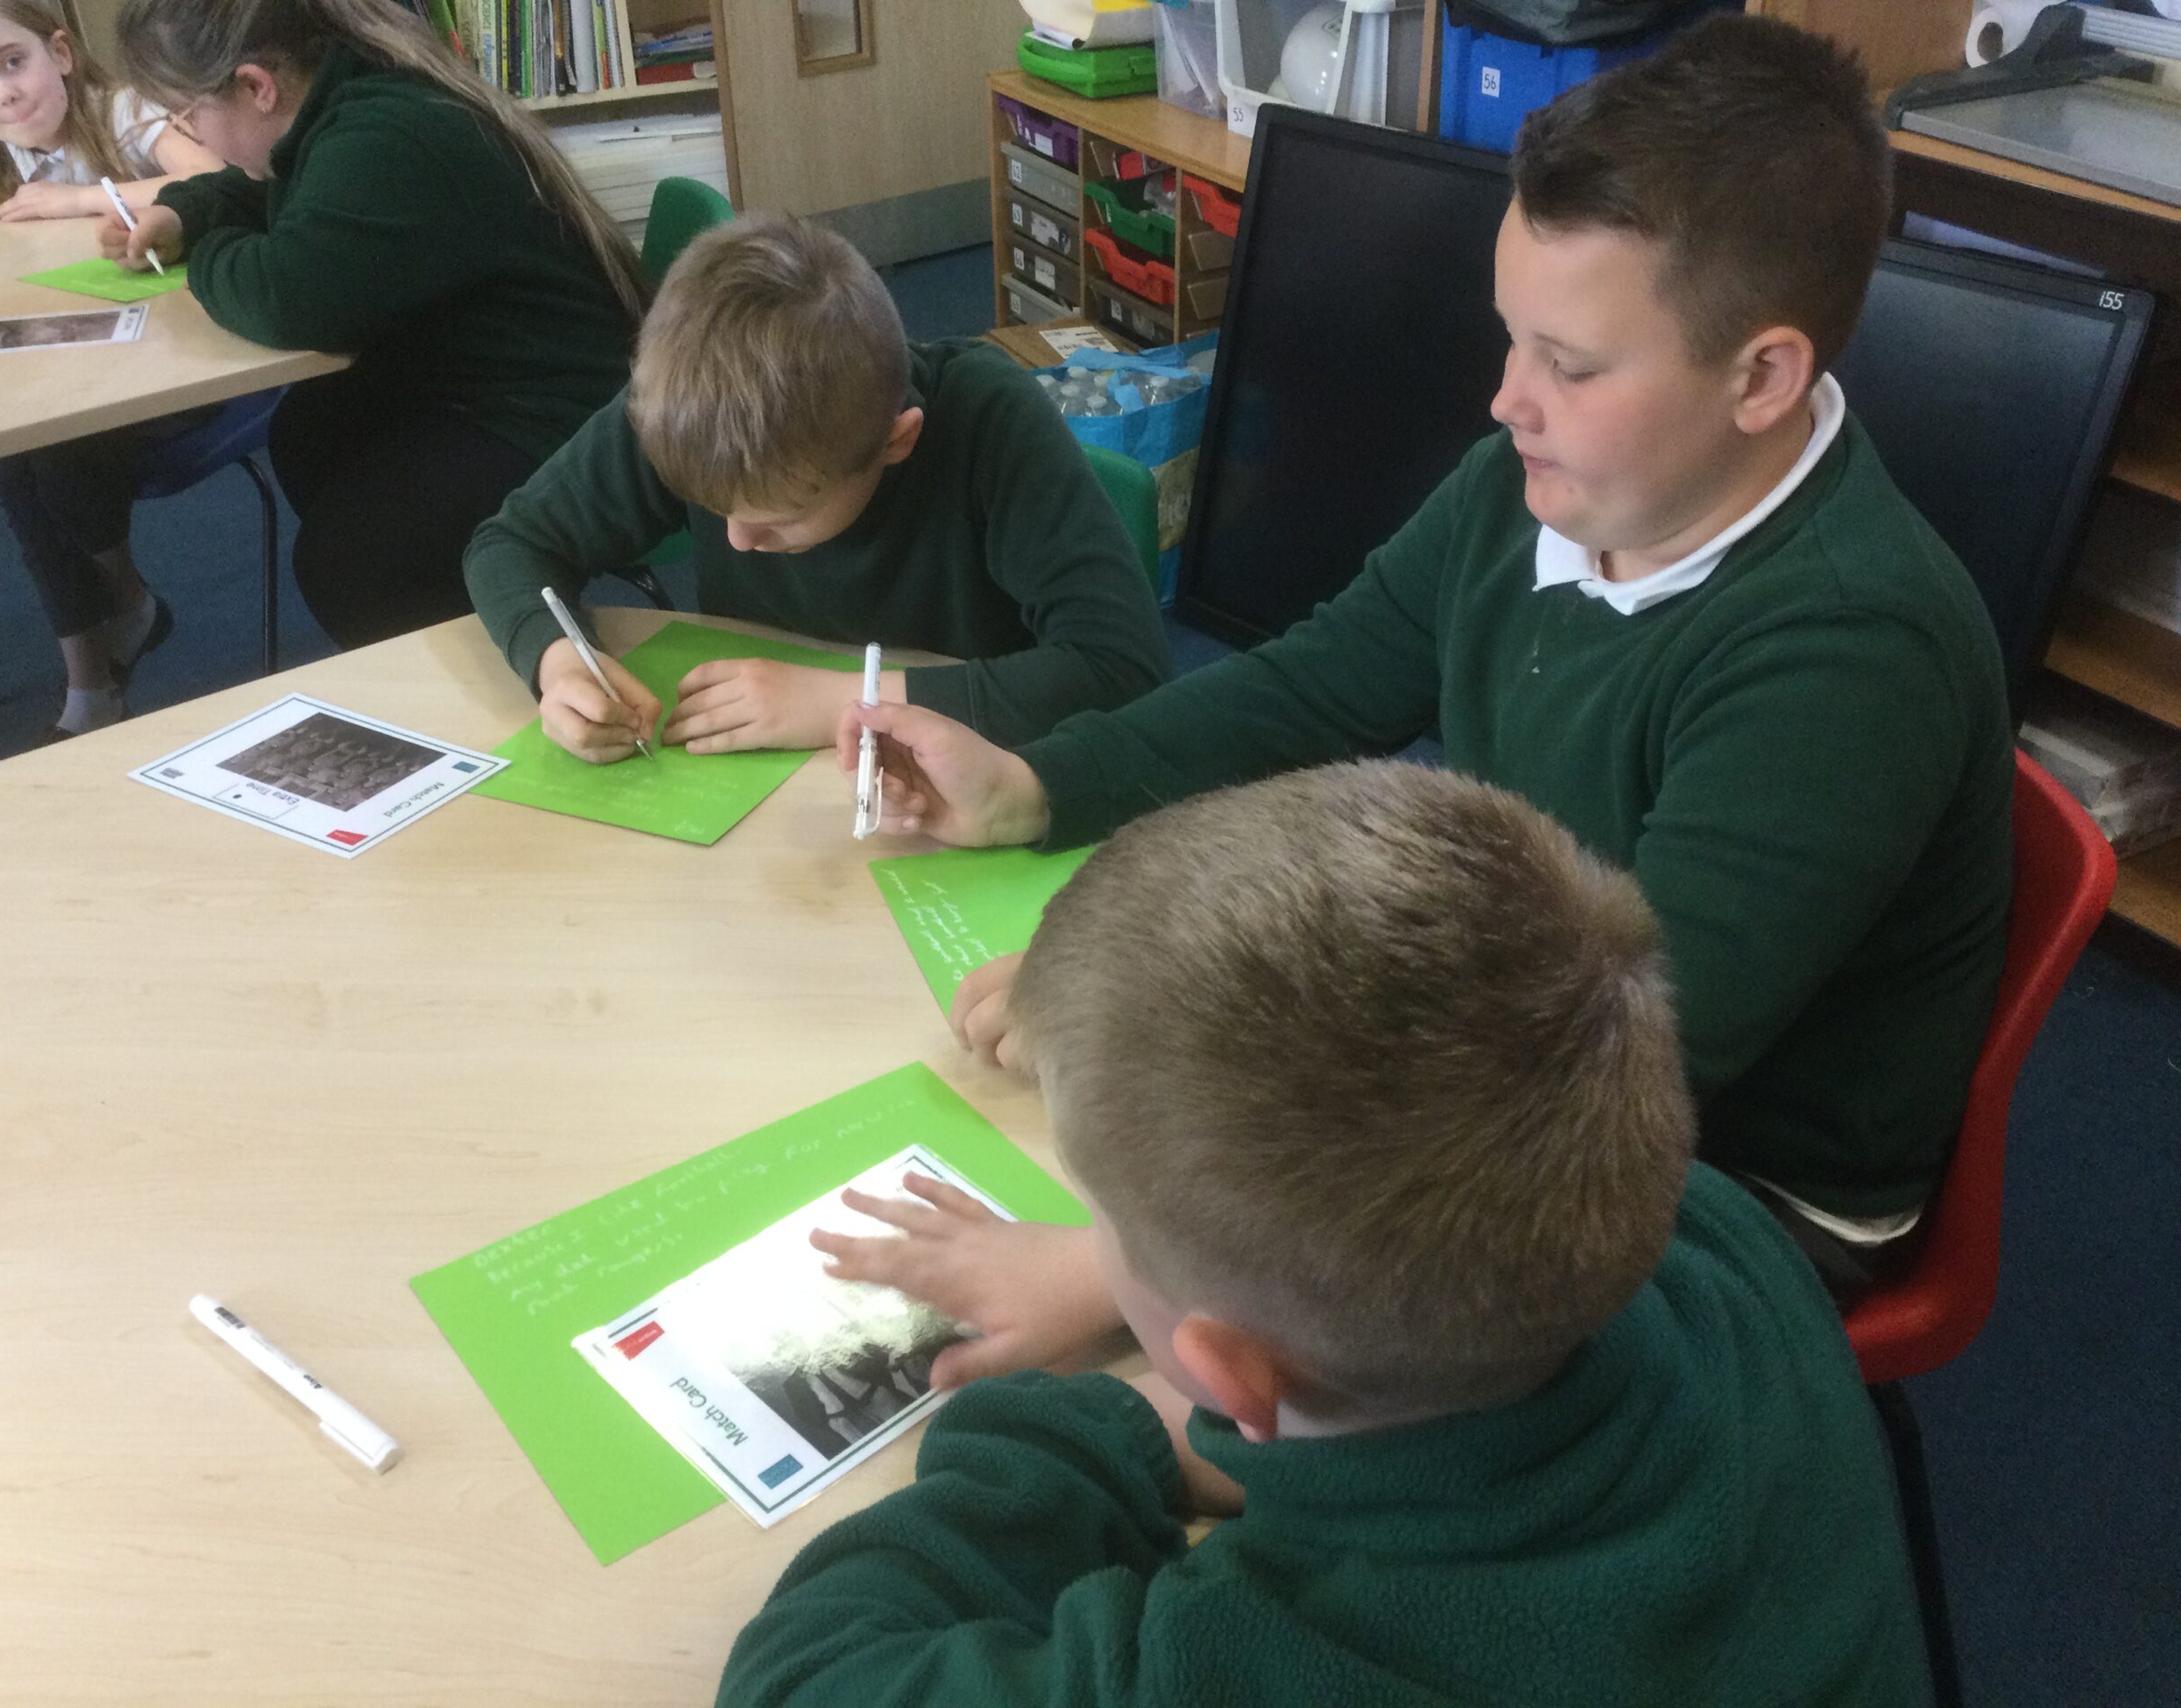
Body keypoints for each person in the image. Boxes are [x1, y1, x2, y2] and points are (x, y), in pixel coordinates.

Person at [833, 15, 2014, 1296]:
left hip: (1730, 1186)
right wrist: (1039, 783)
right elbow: (1314, 684)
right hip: (1538, 1018)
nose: (1508, 399)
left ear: (1763, 377)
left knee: (1189, 1366)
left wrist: (1135, 1271)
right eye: (1513, 337)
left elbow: (1610, 1071)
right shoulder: (1546, 485)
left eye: (1568, 364)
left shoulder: (1850, 657)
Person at [718, 762, 1931, 1707]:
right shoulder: (1720, 1238)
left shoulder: (1258, 1664)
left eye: (1103, 1225)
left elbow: (798, 1681)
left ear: (1229, 1372)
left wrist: (1072, 1434)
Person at [462, 212, 1171, 762]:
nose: (738, 540)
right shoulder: (697, 408)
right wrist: (559, 665)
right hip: (771, 788)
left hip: (964, 778)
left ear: (898, 442)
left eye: (780, 519)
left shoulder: (987, 422)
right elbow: (511, 544)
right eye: (714, 512)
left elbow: (1120, 668)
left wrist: (845, 703)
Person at [102, 0, 647, 654]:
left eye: (188, 117)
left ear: (256, 87)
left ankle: (496, 672)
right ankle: (470, 612)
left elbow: (286, 299)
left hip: (572, 418)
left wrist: (204, 256)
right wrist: (184, 214)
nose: (193, 138)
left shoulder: (380, 136)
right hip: (496, 382)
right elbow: (267, 196)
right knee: (314, 430)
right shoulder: (339, 99)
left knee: (347, 565)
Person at [0, 0, 225, 739]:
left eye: (13, 62)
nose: (3, 94)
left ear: (61, 53)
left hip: (178, 367)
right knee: (24, 452)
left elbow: (214, 179)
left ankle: (112, 639)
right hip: (61, 363)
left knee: (43, 451)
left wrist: (77, 200)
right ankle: (106, 644)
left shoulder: (121, 112)